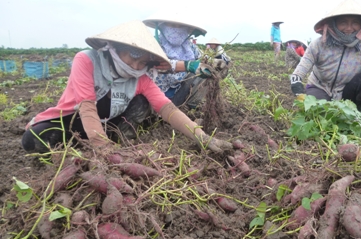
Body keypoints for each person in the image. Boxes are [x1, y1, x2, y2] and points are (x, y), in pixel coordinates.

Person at [21, 20, 231, 154]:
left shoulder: (141, 77)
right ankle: (89, 143)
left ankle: (113, 141)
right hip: (73, 120)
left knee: (142, 102)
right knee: (34, 139)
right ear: (116, 47)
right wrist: (102, 148)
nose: (136, 67)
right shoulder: (87, 60)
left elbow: (167, 109)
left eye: (144, 63)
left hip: (107, 124)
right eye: (134, 57)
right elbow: (86, 105)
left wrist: (202, 137)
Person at [143, 17, 227, 108]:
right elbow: (160, 65)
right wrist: (188, 66)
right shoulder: (152, 44)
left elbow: (203, 58)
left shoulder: (189, 46)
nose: (176, 29)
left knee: (204, 72)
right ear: (161, 25)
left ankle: (188, 108)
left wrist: (215, 63)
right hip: (153, 96)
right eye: (172, 25)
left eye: (181, 26)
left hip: (179, 93)